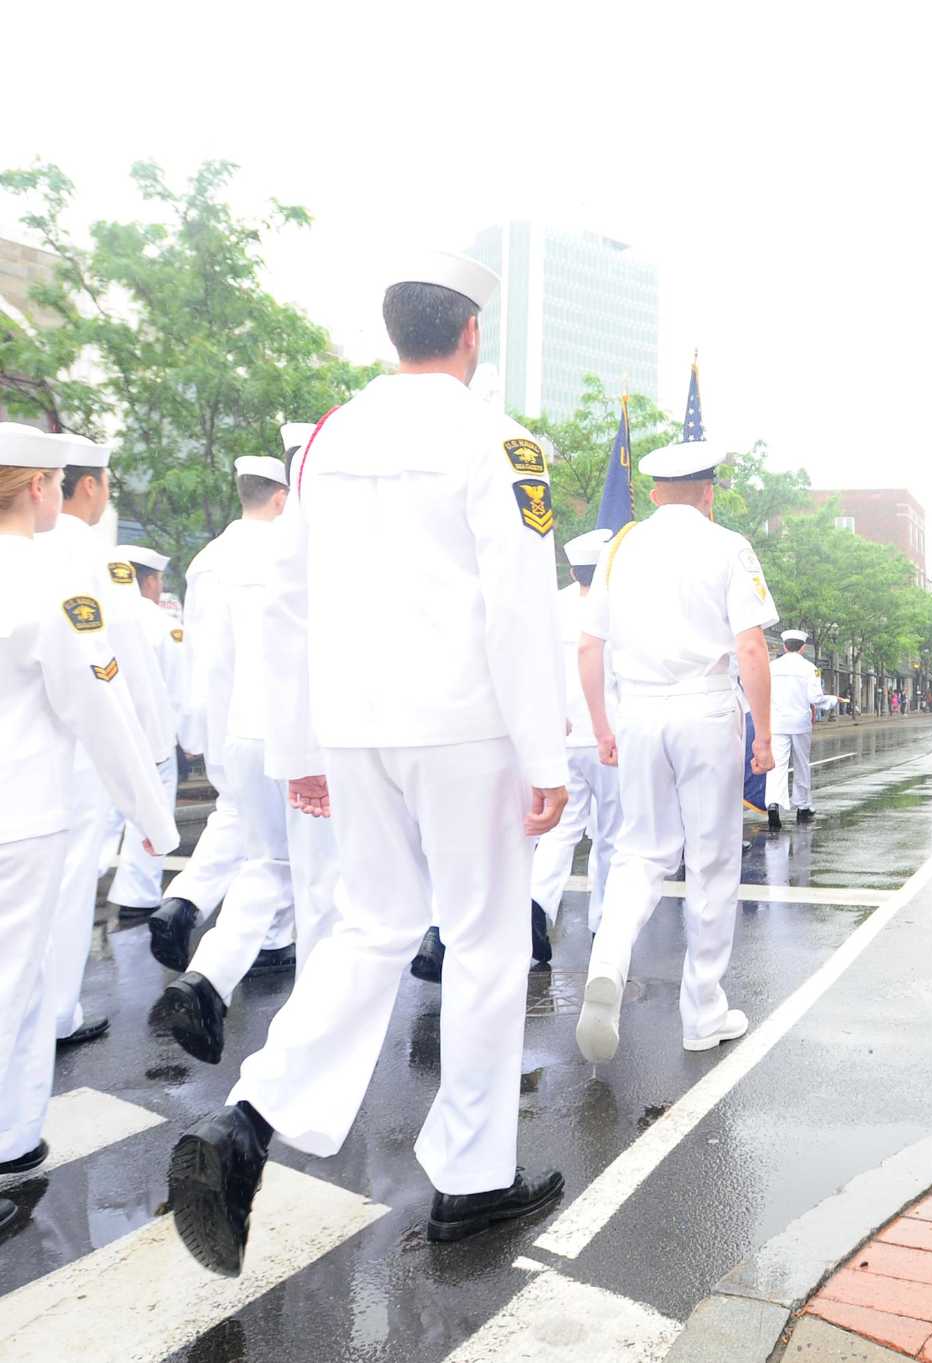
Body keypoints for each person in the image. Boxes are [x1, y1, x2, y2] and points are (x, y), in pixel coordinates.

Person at [166, 252, 570, 1274]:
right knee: (482, 940)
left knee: (370, 925)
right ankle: (472, 1182)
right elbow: (518, 608)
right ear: (471, 332)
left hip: (353, 725)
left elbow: (291, 597)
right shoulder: (500, 438)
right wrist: (543, 750)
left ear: (396, 333)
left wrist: (302, 743)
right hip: (464, 723)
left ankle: (250, 1119)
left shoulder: (334, 436)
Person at [1, 423, 179, 1237]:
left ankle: (14, 1135)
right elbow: (96, 705)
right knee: (14, 979)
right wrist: (152, 816)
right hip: (24, 811)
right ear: (40, 486)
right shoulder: (40, 582)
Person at [573, 442, 776, 1064]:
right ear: (707, 491)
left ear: (657, 491)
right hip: (705, 709)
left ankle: (608, 957)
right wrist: (764, 735)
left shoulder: (619, 548)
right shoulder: (728, 546)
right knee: (711, 861)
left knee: (641, 850)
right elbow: (749, 649)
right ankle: (703, 1011)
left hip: (636, 711)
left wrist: (603, 725)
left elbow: (589, 647)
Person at [150, 445, 338, 1065]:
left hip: (244, 730)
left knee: (266, 867)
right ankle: (314, 1035)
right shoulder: (319, 545)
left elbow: (212, 663)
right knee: (318, 887)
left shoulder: (213, 560)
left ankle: (206, 977)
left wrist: (216, 749)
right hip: (308, 735)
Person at [39, 429, 180, 1049]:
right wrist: (153, 742)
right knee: (68, 884)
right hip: (75, 748)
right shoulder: (99, 559)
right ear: (89, 485)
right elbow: (126, 662)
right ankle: (57, 1013)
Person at [148, 447, 302, 975]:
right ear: (281, 497)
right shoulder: (291, 550)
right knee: (283, 845)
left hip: (230, 716)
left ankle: (186, 899)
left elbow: (205, 654)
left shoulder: (209, 559)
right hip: (283, 719)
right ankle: (272, 939)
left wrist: (199, 725)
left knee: (241, 819)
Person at [529, 527, 623, 949]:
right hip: (609, 736)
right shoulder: (617, 607)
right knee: (610, 833)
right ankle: (602, 919)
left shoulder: (549, 606)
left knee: (559, 830)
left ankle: (536, 902)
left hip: (560, 737)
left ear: (570, 568)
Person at [103, 544, 192, 920]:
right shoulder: (163, 624)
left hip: (104, 733)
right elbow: (179, 690)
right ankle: (136, 897)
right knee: (150, 817)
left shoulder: (98, 616)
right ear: (150, 580)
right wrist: (189, 742)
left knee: (102, 815)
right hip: (151, 738)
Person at [766, 629, 823, 832]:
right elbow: (815, 698)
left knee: (777, 766)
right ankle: (803, 807)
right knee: (801, 764)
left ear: (784, 646)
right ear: (803, 647)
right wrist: (832, 700)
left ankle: (773, 804)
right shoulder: (810, 668)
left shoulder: (771, 667)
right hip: (800, 724)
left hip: (777, 723)